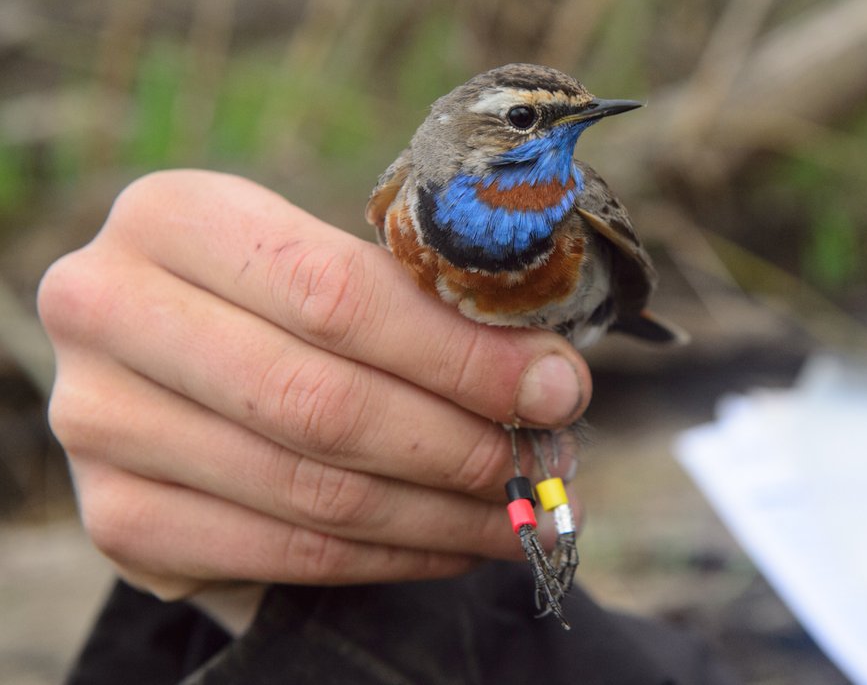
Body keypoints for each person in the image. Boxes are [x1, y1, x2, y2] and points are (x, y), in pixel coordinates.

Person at [39, 169, 738, 685]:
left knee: (540, 443)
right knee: (522, 444)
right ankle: (541, 548)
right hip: (484, 465)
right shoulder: (412, 190)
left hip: (550, 357)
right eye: (522, 121)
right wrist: (277, 594)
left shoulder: (573, 196)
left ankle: (552, 551)